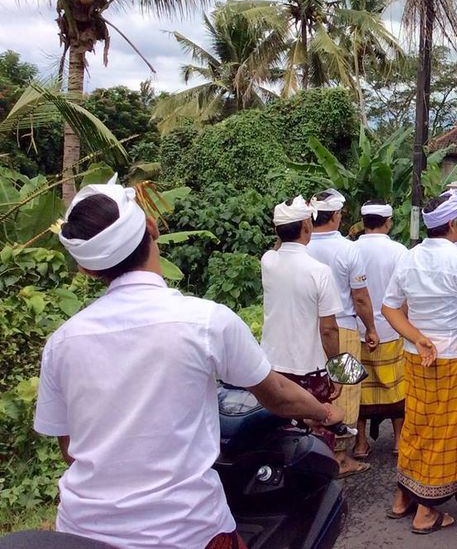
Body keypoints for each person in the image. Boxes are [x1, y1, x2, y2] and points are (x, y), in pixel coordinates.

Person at [36, 178, 343, 549]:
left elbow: (70, 450)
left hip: (81, 532)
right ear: (152, 229)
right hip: (186, 532)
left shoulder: (62, 343)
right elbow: (277, 394)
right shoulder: (205, 321)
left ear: (87, 270)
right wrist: (324, 413)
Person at [382, 191, 457, 535]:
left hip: (415, 354)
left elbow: (390, 308)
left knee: (417, 425)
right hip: (451, 357)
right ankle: (426, 510)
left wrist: (418, 336)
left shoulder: (408, 258)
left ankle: (403, 498)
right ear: (453, 224)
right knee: (445, 431)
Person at [261, 196, 345, 448]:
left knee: (278, 433)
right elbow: (328, 329)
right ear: (306, 227)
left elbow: (279, 247)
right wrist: (338, 373)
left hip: (272, 366)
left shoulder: (268, 261)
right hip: (310, 368)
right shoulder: (319, 271)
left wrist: (288, 226)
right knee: (318, 431)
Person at [307, 188, 378, 477]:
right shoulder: (349, 249)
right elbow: (360, 297)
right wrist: (370, 328)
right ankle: (339, 457)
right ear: (336, 216)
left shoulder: (303, 245)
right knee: (345, 392)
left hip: (310, 329)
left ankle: (317, 448)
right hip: (344, 327)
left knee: (317, 387)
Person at [352, 200, 408, 459]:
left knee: (358, 387)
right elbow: (404, 295)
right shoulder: (398, 251)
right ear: (388, 222)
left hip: (358, 328)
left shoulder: (351, 249)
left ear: (364, 222)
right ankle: (399, 441)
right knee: (395, 387)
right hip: (390, 327)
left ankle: (361, 442)